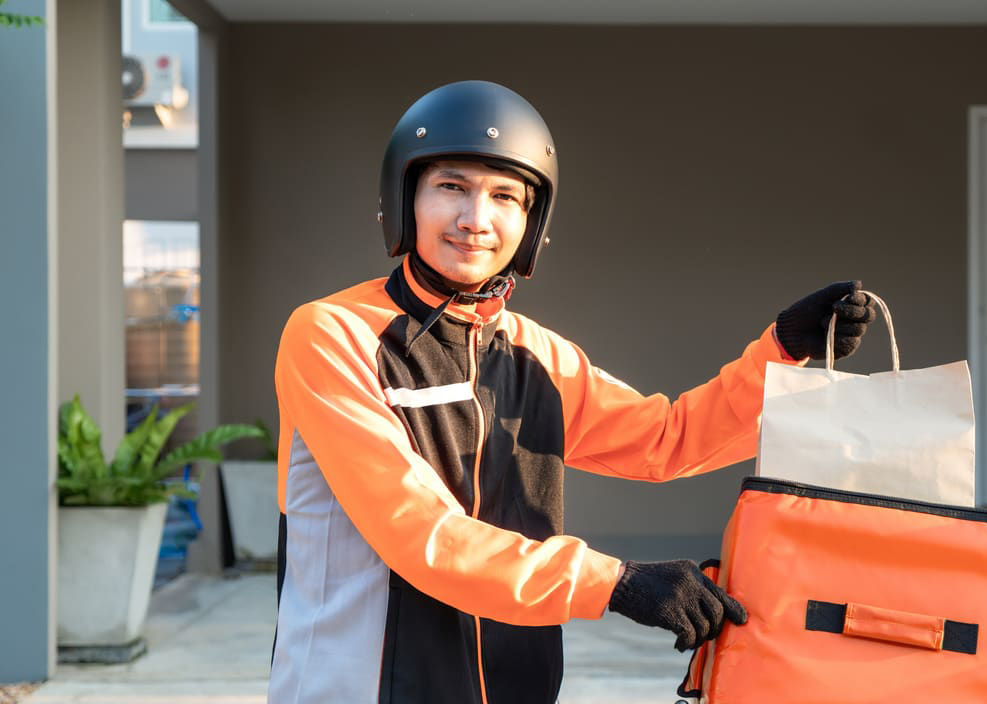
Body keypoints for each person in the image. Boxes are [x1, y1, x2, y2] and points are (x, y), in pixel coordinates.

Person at [268, 80, 874, 704]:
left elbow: (666, 440)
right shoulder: (330, 335)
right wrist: (614, 582)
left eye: (506, 196)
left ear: (531, 225)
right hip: (356, 689)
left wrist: (782, 352)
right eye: (452, 187)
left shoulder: (540, 356)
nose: (476, 220)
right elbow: (418, 532)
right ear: (404, 199)